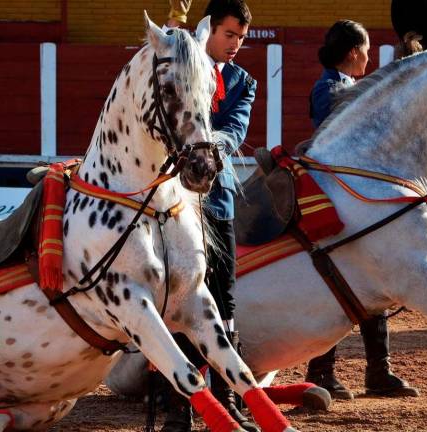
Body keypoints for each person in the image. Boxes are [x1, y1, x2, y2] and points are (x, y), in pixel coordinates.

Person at [304, 19, 419, 400]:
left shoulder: (341, 85)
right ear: (353, 52)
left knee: (372, 280)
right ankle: (321, 371)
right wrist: (400, 72)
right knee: (338, 284)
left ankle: (378, 371)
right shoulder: (330, 89)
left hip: (355, 198)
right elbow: (361, 110)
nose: (369, 57)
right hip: (334, 202)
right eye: (367, 50)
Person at [163, 1, 258, 431]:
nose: (235, 44)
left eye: (241, 37)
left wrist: (203, 148)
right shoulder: (186, 68)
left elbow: (235, 132)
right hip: (175, 204)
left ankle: (227, 399)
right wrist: (172, 27)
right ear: (210, 30)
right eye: (229, 35)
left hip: (217, 201)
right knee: (176, 301)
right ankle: (179, 407)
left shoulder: (243, 82)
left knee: (225, 299)